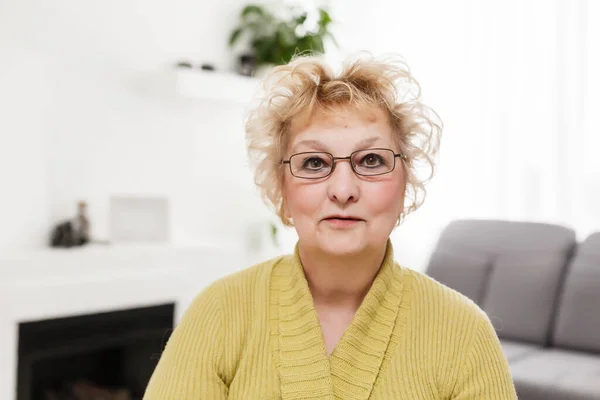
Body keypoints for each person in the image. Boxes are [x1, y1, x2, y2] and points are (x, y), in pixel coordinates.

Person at [143, 53, 517, 399]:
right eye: (314, 163)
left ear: (406, 183)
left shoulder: (464, 332)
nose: (342, 190)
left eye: (371, 160)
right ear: (281, 188)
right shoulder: (218, 314)